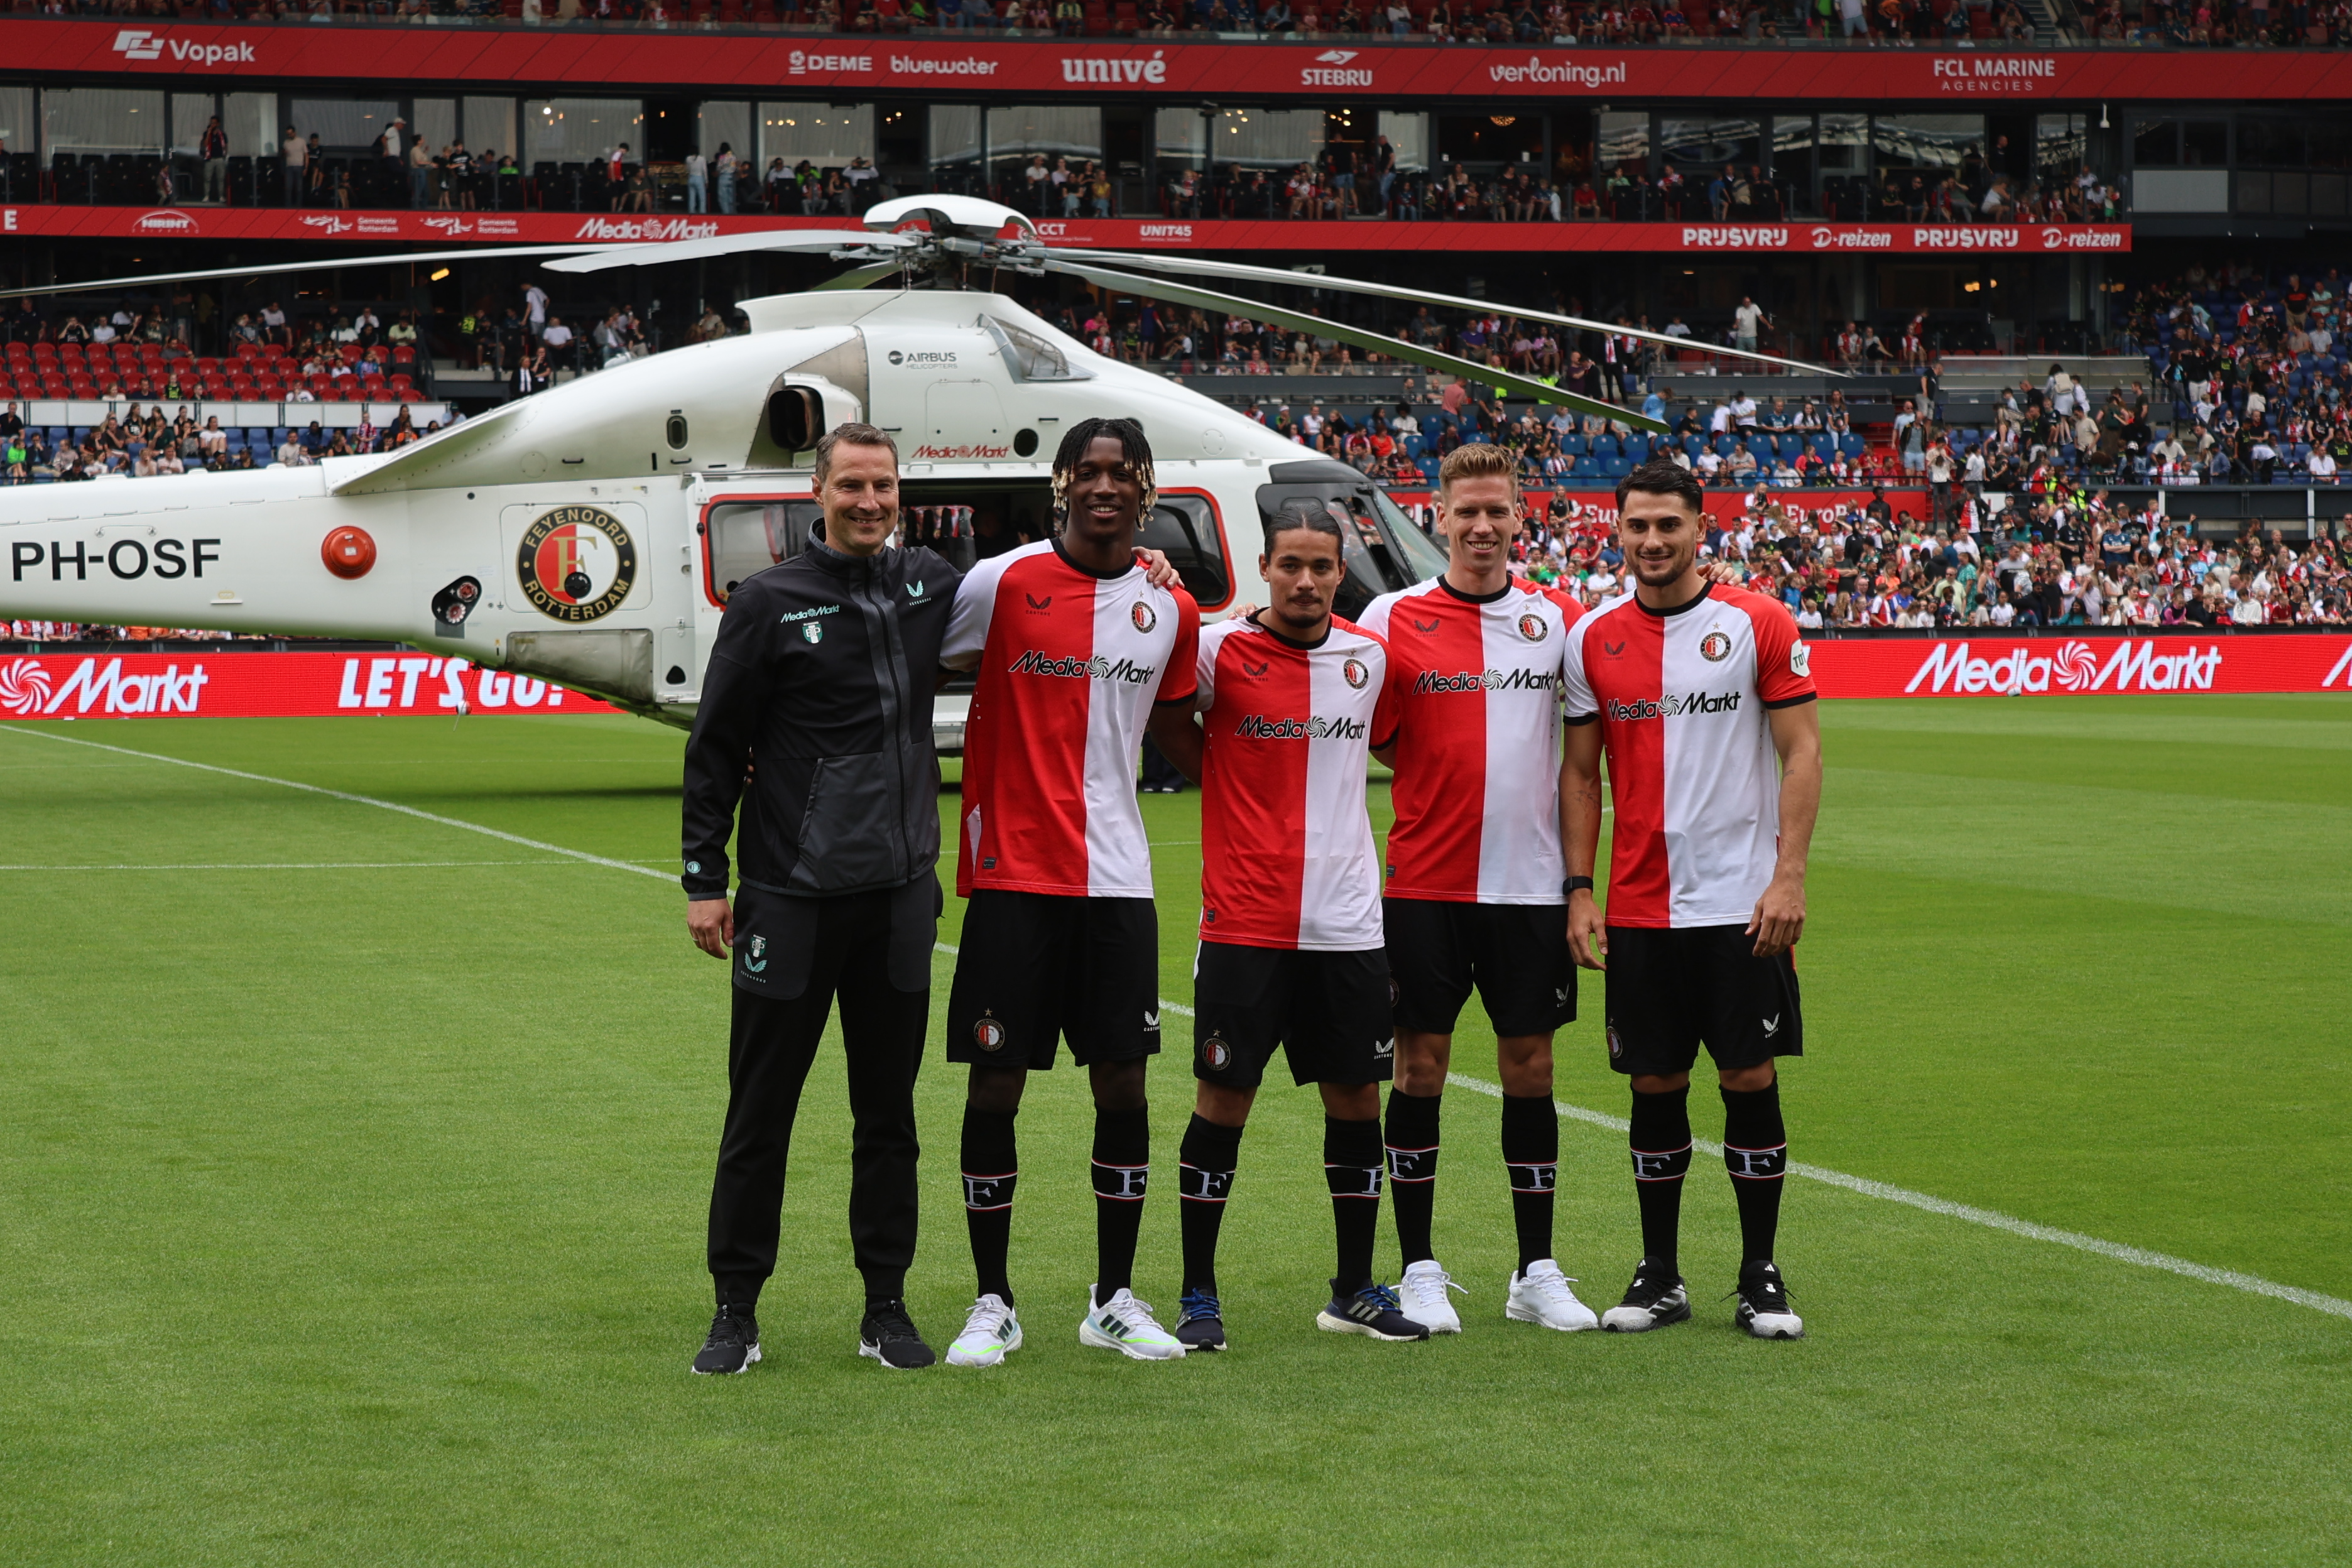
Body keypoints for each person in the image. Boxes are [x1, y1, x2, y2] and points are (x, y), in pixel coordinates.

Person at [679, 423, 964, 1375]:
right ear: (818, 492)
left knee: (888, 1117)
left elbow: (1052, 586)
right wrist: (703, 882)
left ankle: (885, 1307)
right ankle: (735, 1311)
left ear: (900, 493)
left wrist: (1161, 580)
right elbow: (715, 747)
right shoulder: (767, 602)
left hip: (897, 902)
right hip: (788, 901)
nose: (869, 501)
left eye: (883, 485)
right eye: (852, 485)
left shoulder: (929, 583)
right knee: (761, 1112)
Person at [935, 419, 1203, 1369]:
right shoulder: (997, 584)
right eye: (1084, 471)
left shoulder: (1172, 609)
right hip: (1014, 875)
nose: (1102, 486)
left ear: (1145, 487)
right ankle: (991, 1300)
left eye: (1119, 473)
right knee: (996, 1082)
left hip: (1120, 880)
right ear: (1059, 485)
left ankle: (1114, 1297)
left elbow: (1181, 728)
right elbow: (921, 665)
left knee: (1123, 1082)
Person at [1148, 504, 1432, 1351]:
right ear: (1264, 567)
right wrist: (1221, 780)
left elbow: (1397, 745)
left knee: (1355, 1100)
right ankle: (1199, 1294)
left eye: (1322, 567)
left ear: (1342, 573)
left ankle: (1354, 1289)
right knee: (1222, 1101)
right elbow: (1168, 723)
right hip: (1243, 921)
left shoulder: (1371, 658)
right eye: (1290, 566)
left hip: (1347, 924)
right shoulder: (1216, 649)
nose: (1305, 581)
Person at [1559, 456, 1822, 1341]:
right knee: (1655, 1080)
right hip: (1638, 909)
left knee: (1748, 1076)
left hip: (1742, 906)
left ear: (1699, 529)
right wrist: (1580, 889)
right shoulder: (1592, 637)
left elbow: (1804, 754)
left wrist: (1788, 877)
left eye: (1669, 525)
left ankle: (1760, 1273)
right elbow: (1579, 775)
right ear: (1618, 529)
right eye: (1637, 525)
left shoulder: (1758, 622)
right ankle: (1660, 1272)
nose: (1653, 541)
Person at [1354, 442, 1599, 1336]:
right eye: (1468, 512)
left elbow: (1583, 769)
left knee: (1531, 1067)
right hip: (1425, 884)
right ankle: (1418, 1266)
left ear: (1519, 516)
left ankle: (1535, 1269)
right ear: (1439, 516)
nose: (1484, 526)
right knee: (1420, 1066)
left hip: (1530, 891)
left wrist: (1579, 887)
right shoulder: (1392, 615)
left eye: (1499, 511)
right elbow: (1374, 731)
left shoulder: (1558, 621)